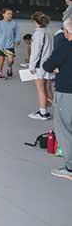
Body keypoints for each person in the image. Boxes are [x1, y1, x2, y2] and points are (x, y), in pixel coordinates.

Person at [40, 18, 72, 179]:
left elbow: (47, 66)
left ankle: (70, 168)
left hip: (67, 93)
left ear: (67, 33)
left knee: (65, 129)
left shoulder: (65, 47)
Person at [28, 11, 56, 120]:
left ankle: (43, 112)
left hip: (40, 66)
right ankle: (55, 110)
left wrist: (31, 66)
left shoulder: (38, 34)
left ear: (35, 21)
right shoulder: (49, 32)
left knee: (40, 89)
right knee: (48, 88)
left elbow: (36, 52)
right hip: (49, 64)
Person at [0, 8, 19, 80]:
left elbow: (17, 33)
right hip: (0, 45)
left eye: (11, 14)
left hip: (9, 45)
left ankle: (9, 68)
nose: (10, 15)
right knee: (1, 58)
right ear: (3, 14)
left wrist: (17, 40)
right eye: (8, 14)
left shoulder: (14, 24)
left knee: (11, 60)